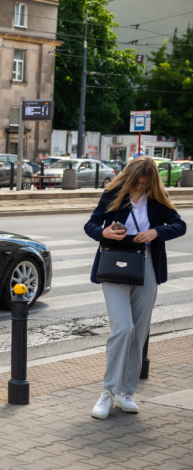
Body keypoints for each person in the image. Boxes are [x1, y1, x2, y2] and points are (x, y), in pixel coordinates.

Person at [84, 157, 186, 419]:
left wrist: (156, 232)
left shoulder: (157, 196)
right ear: (129, 178)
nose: (140, 186)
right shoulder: (113, 194)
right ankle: (108, 392)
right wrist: (104, 233)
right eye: (137, 182)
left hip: (147, 261)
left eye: (144, 183)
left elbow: (179, 225)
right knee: (123, 328)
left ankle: (126, 392)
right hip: (115, 262)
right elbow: (91, 225)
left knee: (139, 332)